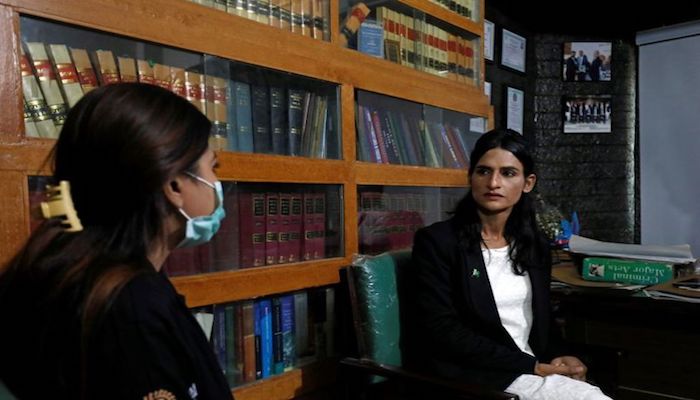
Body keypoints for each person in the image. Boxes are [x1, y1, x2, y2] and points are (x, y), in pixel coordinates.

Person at [0, 83, 234, 399]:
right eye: (213, 167)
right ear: (175, 185)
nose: (218, 183)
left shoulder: (63, 272)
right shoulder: (133, 310)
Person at [408, 129, 611, 399]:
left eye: (508, 173)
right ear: (471, 177)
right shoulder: (438, 242)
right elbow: (442, 331)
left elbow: (541, 321)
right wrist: (533, 366)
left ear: (528, 183)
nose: (493, 182)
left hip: (531, 368)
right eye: (483, 171)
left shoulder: (534, 244)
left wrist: (561, 356)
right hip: (477, 376)